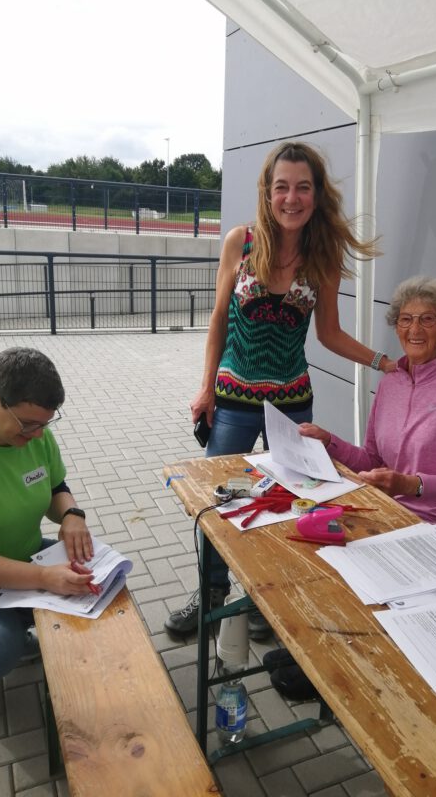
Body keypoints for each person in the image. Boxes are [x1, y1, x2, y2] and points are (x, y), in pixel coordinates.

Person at [165, 140, 396, 637]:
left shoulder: (323, 255)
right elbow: (220, 318)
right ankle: (210, 594)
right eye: (282, 187)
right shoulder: (241, 243)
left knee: (288, 498)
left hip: (291, 403)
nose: (292, 198)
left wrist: (383, 362)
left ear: (317, 195)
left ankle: (261, 596)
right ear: (268, 193)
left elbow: (329, 333)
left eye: (303, 188)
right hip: (233, 398)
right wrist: (205, 388)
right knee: (218, 500)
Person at [266, 275, 436, 700]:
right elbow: (372, 460)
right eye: (405, 320)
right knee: (313, 551)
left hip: (434, 526)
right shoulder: (390, 382)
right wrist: (329, 441)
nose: (415, 330)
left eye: (427, 319)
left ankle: (339, 675)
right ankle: (323, 651)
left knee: (350, 568)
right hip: (384, 510)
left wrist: (409, 484)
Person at [0, 347, 95, 722]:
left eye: (45, 425)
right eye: (28, 425)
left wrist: (71, 514)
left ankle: (16, 622)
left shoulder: (35, 435)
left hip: (24, 556)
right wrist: (43, 577)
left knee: (95, 580)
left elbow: (56, 486)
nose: (37, 434)